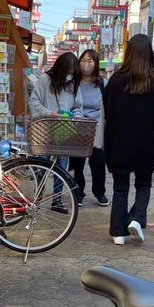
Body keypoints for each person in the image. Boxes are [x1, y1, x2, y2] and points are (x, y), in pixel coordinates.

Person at [103, 34, 154, 245]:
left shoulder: (115, 80)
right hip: (146, 142)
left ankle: (117, 232)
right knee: (144, 183)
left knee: (120, 187)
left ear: (128, 52)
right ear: (149, 53)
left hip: (119, 142)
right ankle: (137, 219)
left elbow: (109, 113)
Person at [29, 52, 82, 214]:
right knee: (42, 165)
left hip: (64, 130)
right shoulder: (45, 80)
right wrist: (48, 113)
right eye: (67, 73)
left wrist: (76, 118)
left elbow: (78, 106)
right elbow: (34, 101)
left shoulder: (73, 84)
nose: (69, 76)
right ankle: (38, 198)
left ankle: (56, 200)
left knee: (61, 166)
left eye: (72, 74)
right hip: (44, 130)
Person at [69, 49, 109, 207]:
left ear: (96, 63)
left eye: (90, 61)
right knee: (77, 164)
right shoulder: (73, 82)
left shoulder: (103, 83)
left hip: (96, 129)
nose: (86, 64)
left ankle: (100, 192)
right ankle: (78, 192)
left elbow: (109, 106)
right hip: (77, 127)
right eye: (83, 60)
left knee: (98, 162)